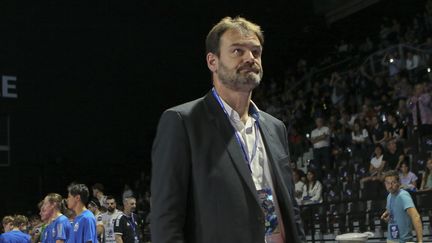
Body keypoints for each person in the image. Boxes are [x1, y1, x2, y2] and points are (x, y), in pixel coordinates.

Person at [151, 16, 305, 243]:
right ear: (212, 61)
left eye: (256, 52)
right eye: (237, 51)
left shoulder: (275, 127)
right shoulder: (182, 121)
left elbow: (290, 208)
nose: (250, 58)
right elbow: (166, 219)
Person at [381, 170, 423, 243]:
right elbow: (392, 210)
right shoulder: (389, 196)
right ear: (385, 184)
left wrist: (420, 241)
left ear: (399, 182)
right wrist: (386, 214)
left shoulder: (403, 196)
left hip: (403, 241)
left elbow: (416, 217)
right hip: (391, 239)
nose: (390, 186)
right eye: (388, 183)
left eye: (393, 182)